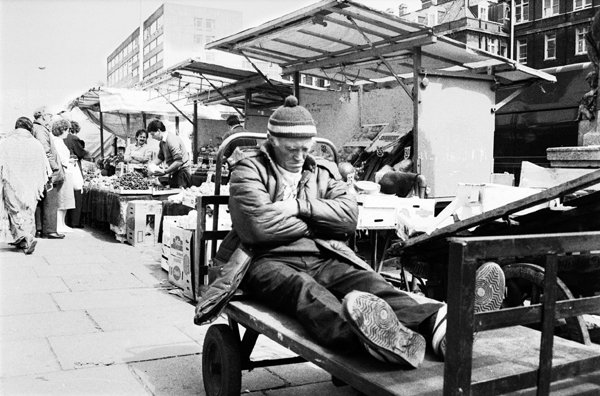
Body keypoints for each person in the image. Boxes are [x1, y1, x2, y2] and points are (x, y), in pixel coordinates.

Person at [195, 96, 506, 368]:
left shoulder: (323, 170)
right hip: (263, 260)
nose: (300, 155)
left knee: (370, 282)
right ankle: (374, 338)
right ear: (272, 142)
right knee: (306, 292)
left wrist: (298, 208)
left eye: (306, 148)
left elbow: (348, 217)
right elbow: (258, 228)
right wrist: (318, 218)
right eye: (292, 148)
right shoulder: (249, 169)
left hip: (321, 254)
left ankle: (440, 324)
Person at [0, 117, 50, 254]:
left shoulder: (5, 142)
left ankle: (25, 237)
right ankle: (24, 239)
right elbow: (45, 167)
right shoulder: (36, 144)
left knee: (15, 211)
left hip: (12, 183)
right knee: (28, 211)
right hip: (32, 184)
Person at [31, 107, 65, 239]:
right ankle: (50, 230)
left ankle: (40, 229)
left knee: (41, 200)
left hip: (42, 171)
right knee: (50, 201)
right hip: (48, 171)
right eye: (50, 117)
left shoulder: (37, 128)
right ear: (43, 116)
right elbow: (45, 150)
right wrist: (55, 167)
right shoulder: (41, 130)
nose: (51, 120)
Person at [147, 119, 192, 188]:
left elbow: (179, 161)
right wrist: (150, 166)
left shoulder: (171, 139)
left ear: (159, 131)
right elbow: (160, 158)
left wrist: (165, 171)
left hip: (182, 172)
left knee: (180, 194)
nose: (152, 137)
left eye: (153, 134)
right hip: (174, 171)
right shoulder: (162, 143)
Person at [51, 119, 76, 234]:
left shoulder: (59, 141)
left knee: (65, 200)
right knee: (62, 200)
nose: (68, 132)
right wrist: (69, 162)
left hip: (66, 172)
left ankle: (62, 223)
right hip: (64, 172)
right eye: (67, 129)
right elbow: (60, 159)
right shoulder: (57, 142)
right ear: (62, 130)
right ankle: (59, 225)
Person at [64, 120, 88, 228]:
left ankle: (67, 221)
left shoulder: (62, 138)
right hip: (74, 168)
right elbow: (81, 153)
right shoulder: (73, 138)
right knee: (77, 194)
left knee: (67, 194)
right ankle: (75, 222)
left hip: (65, 169)